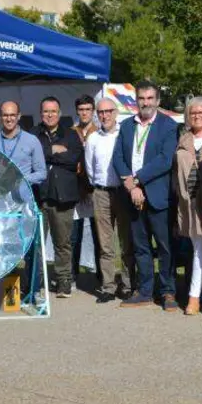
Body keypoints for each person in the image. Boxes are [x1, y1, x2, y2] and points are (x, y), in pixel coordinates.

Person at [112, 81, 180, 310]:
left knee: (164, 247)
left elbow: (164, 159)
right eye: (142, 98)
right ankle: (145, 290)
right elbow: (118, 158)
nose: (146, 102)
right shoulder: (126, 125)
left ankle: (168, 291)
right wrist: (131, 187)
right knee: (140, 246)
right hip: (133, 197)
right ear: (136, 100)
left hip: (158, 195)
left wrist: (138, 180)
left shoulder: (168, 125)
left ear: (158, 101)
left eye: (150, 98)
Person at [0, 101, 48, 301]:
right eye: (5, 115)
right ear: (0, 117)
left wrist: (20, 178)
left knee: (30, 248)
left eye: (12, 115)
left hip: (24, 203)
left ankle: (33, 290)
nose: (9, 118)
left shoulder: (31, 141)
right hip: (0, 205)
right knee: (0, 245)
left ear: (19, 116)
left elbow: (41, 173)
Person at [31, 97, 84, 297]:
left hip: (63, 198)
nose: (50, 115)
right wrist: (53, 150)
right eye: (46, 111)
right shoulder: (33, 134)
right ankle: (35, 283)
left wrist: (45, 155)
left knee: (62, 243)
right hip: (39, 197)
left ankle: (63, 281)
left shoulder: (70, 134)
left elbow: (74, 158)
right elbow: (30, 157)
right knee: (36, 244)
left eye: (53, 111)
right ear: (41, 113)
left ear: (59, 113)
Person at [84, 98, 132, 303]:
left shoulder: (124, 134)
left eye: (108, 111)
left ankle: (128, 284)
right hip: (101, 192)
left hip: (122, 192)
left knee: (126, 241)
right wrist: (97, 188)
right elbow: (89, 167)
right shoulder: (93, 138)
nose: (105, 115)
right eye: (101, 112)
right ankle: (108, 286)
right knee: (105, 243)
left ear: (116, 112)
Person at [174, 97, 202, 316]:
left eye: (201, 112)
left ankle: (194, 297)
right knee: (200, 250)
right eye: (193, 113)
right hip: (188, 203)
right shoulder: (183, 140)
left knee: (200, 250)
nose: (197, 116)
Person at [70, 95, 98, 286]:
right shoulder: (71, 132)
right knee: (74, 236)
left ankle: (102, 276)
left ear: (93, 110)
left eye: (88, 109)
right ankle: (72, 275)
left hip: (95, 190)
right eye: (81, 109)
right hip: (76, 189)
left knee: (99, 236)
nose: (84, 112)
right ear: (77, 111)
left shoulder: (101, 131)